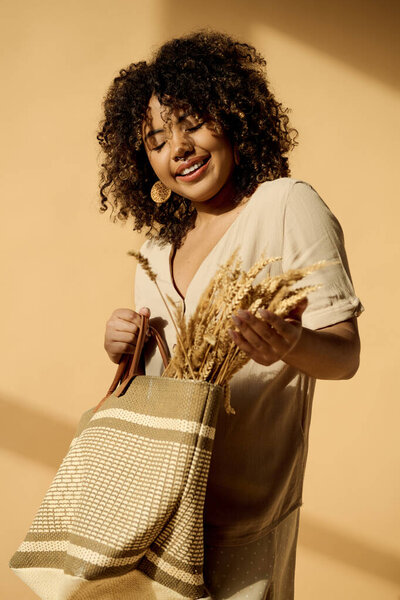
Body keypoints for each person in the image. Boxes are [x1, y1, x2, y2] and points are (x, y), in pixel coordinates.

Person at [98, 29, 363, 600]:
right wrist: (123, 346)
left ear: (233, 120)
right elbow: (156, 381)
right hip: (157, 513)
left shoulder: (285, 205)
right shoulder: (154, 251)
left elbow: (345, 354)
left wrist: (288, 343)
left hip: (245, 520)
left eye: (192, 123)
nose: (179, 149)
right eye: (157, 139)